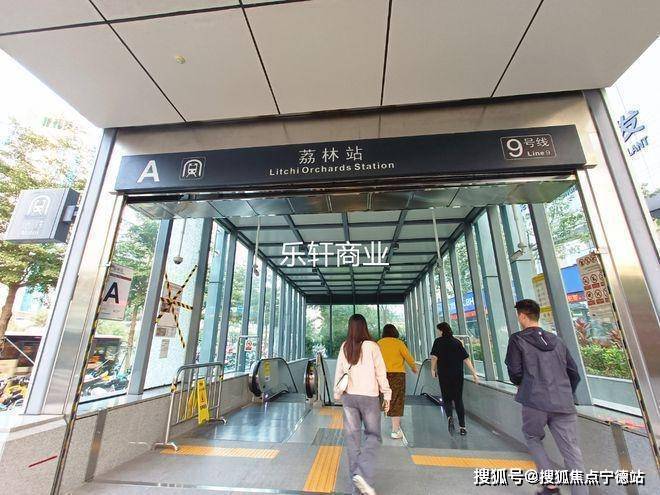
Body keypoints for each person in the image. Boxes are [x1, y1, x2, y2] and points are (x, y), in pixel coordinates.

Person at [505, 299, 587, 495]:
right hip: (563, 402)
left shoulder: (517, 339)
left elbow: (515, 372)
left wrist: (522, 385)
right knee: (571, 451)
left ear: (522, 316)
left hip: (534, 400)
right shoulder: (557, 340)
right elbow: (573, 372)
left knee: (532, 437)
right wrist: (564, 392)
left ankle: (550, 485)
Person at [334, 314, 391, 495]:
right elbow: (381, 372)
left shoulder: (345, 346)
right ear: (365, 327)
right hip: (369, 398)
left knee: (353, 440)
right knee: (373, 436)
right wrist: (387, 394)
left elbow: (339, 372)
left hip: (349, 397)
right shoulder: (372, 346)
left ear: (350, 328)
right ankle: (362, 475)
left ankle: (356, 488)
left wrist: (337, 393)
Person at [430, 322, 479, 435]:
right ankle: (462, 427)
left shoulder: (438, 342)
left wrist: (433, 369)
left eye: (438, 330)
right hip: (457, 375)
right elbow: (466, 359)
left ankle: (449, 417)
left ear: (442, 331)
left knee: (446, 398)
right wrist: (474, 374)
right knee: (458, 400)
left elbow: (434, 357)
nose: (437, 333)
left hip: (444, 374)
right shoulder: (457, 342)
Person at [377, 323, 417, 439]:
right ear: (395, 332)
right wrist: (414, 368)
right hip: (397, 376)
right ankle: (395, 431)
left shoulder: (379, 343)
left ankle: (375, 430)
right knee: (397, 401)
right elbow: (408, 357)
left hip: (382, 375)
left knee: (381, 399)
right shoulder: (399, 343)